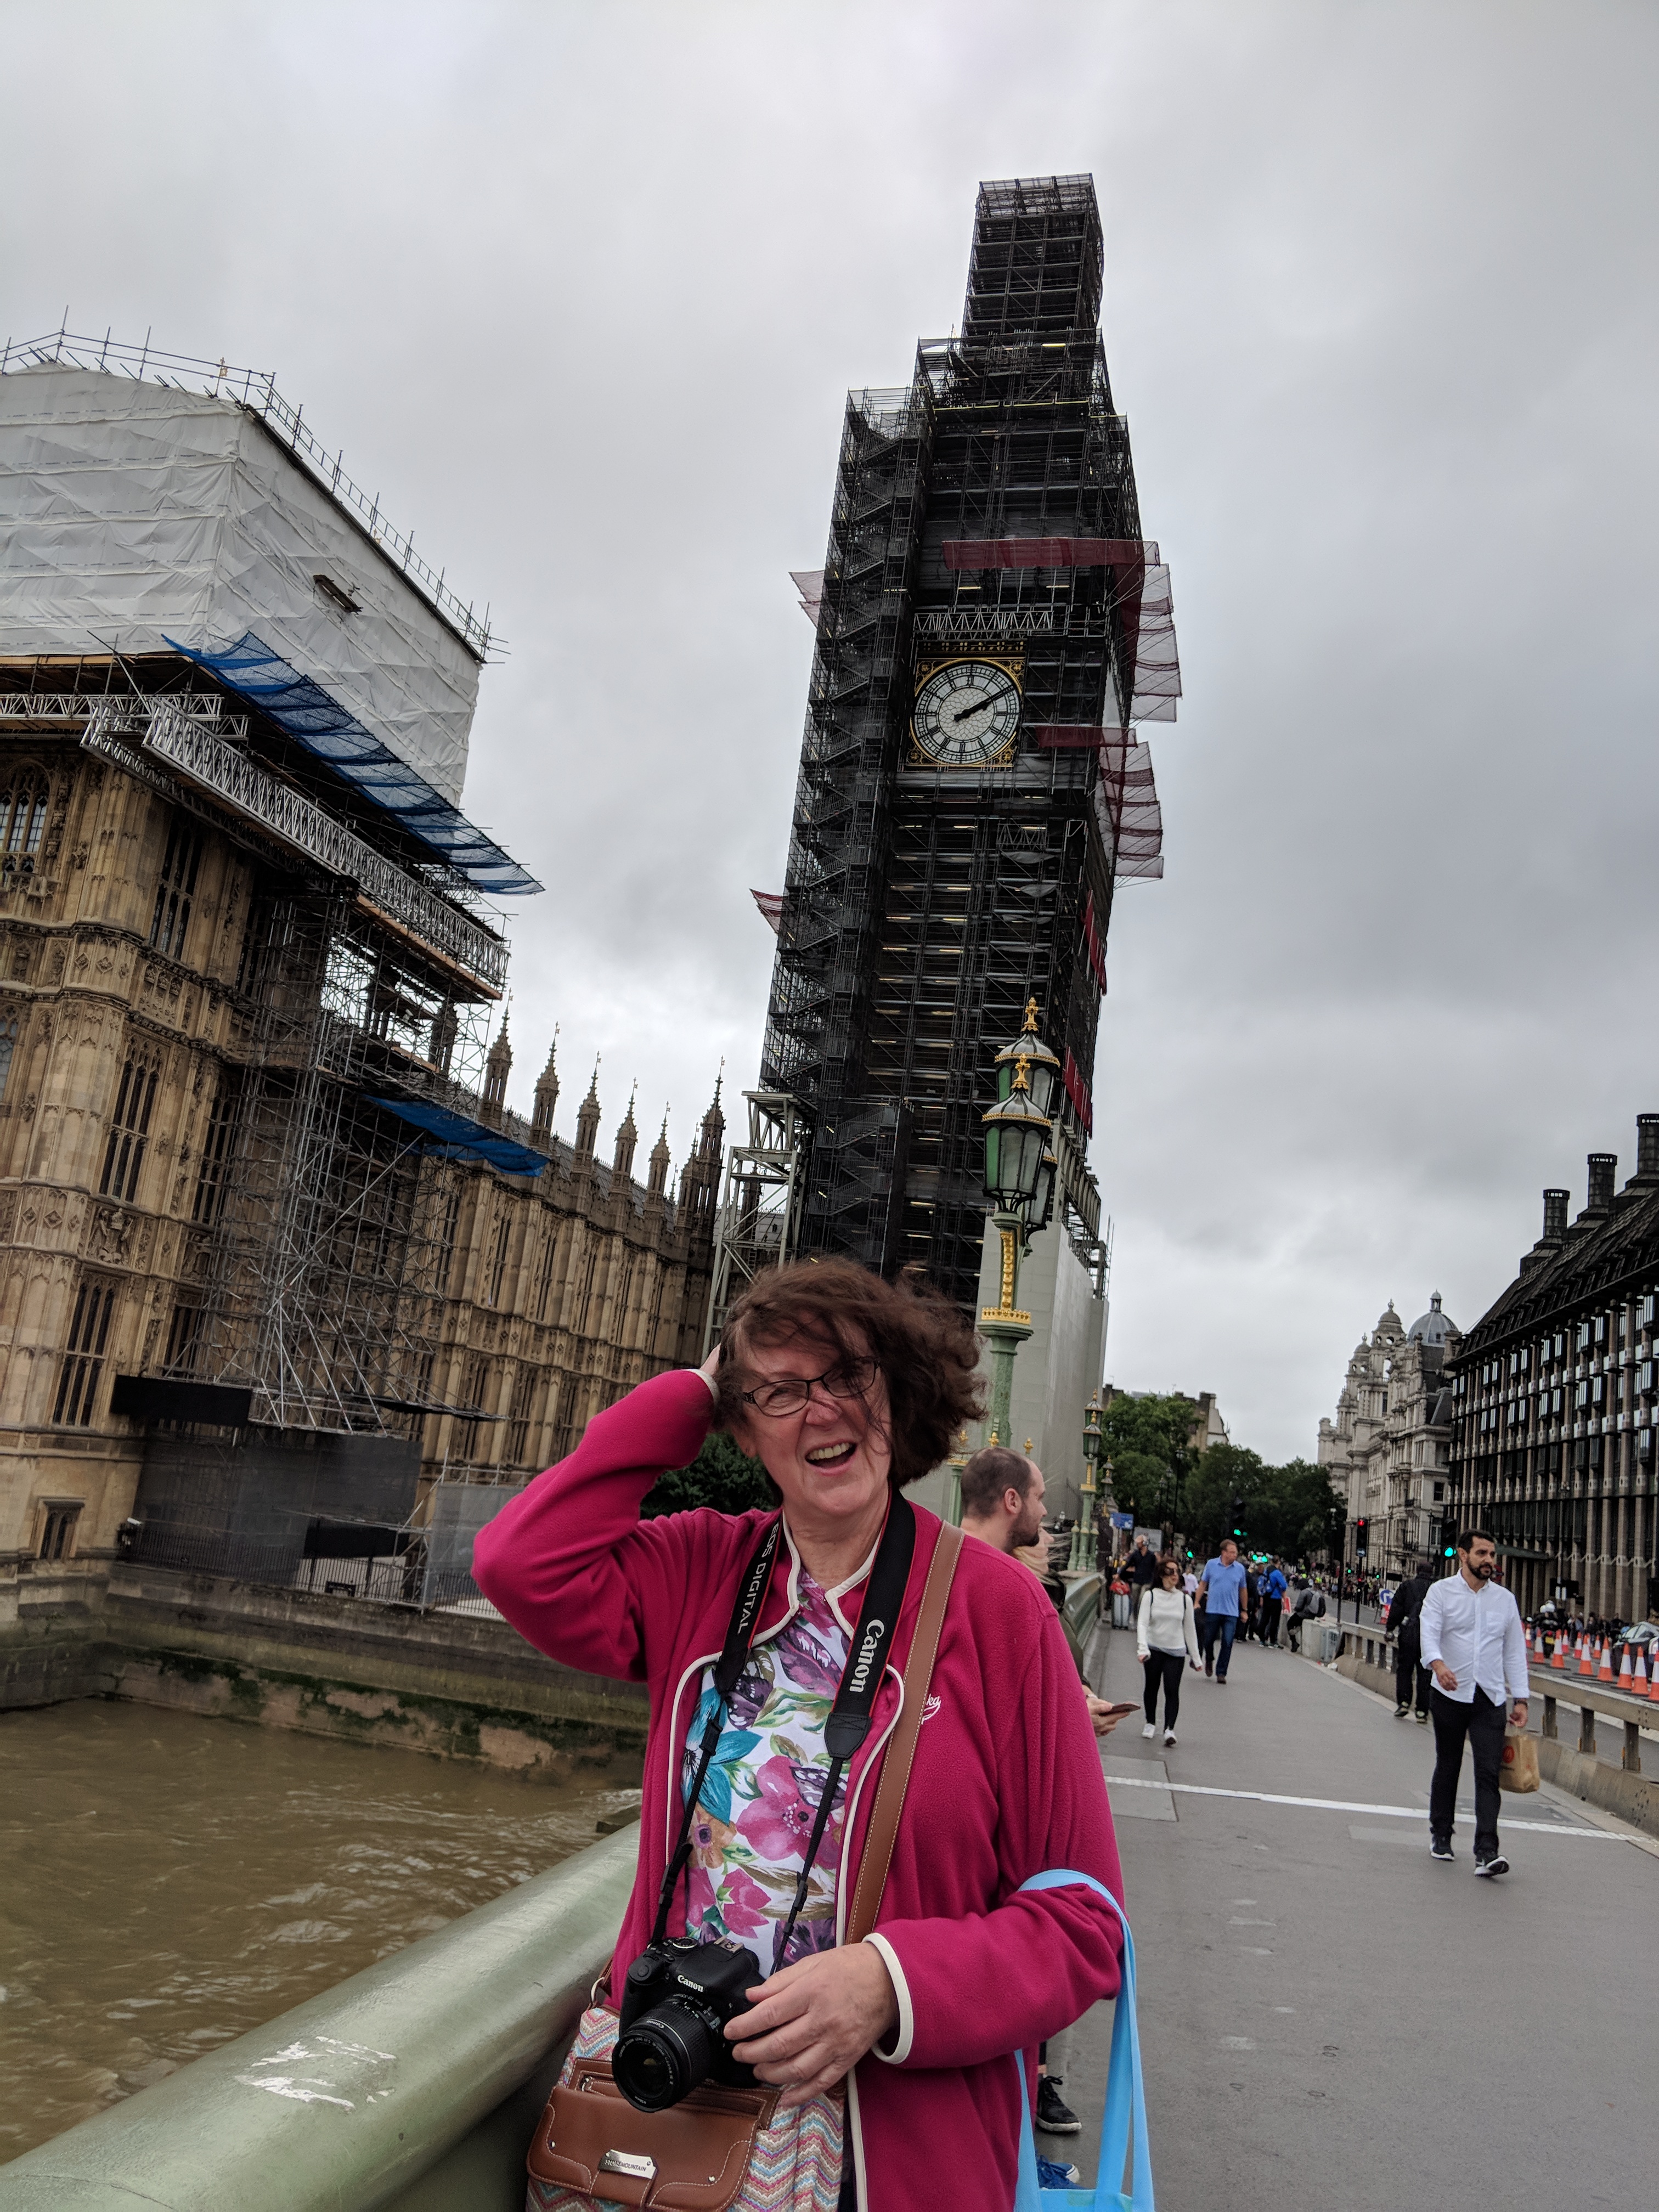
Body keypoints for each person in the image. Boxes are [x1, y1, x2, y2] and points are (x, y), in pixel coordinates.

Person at [473, 1259, 1125, 2212]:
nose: (821, 1409)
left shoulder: (1000, 1612)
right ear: (743, 1428)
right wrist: (688, 1396)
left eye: (847, 1375)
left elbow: (1083, 1921)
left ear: (896, 1392)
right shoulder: (701, 1568)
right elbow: (517, 1562)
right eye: (779, 1391)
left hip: (892, 2159)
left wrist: (891, 1985)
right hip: (673, 2131)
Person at [960, 1444, 1126, 1741]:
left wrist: (1082, 1696)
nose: (1045, 1511)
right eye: (1039, 1498)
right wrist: (1074, 1717)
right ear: (1012, 1500)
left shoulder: (946, 1565)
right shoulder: (1006, 1588)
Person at [1418, 1530, 1530, 1877]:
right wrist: (1438, 1666)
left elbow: (1514, 1651)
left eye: (1492, 1555)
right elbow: (1429, 1633)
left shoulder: (1505, 1600)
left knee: (1488, 1772)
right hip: (1449, 1693)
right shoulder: (1441, 1592)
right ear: (1463, 1555)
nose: (1489, 1561)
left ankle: (1487, 1851)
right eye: (1482, 1553)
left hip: (1489, 1697)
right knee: (1448, 1765)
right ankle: (1441, 1834)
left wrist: (1521, 1698)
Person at [1135, 1555, 1201, 1745]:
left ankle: (1169, 1729)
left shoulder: (1185, 1600)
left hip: (1176, 1652)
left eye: (1177, 1571)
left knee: (1172, 1690)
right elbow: (1142, 1623)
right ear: (1161, 1574)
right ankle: (1150, 1723)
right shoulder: (1151, 1596)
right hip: (1154, 1649)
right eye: (1170, 1571)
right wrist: (1142, 1648)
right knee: (1152, 1687)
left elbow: (1190, 1630)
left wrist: (1196, 1658)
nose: (1175, 1575)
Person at [1385, 1565, 1433, 1723]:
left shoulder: (1407, 1586)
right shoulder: (1436, 1589)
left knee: (1405, 1669)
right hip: (1428, 1636)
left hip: (1408, 1634)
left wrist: (1390, 1628)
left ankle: (1404, 1702)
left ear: (1417, 1571)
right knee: (1425, 1674)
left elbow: (1397, 1609)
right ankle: (1422, 1711)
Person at [1196, 1537, 1248, 1682]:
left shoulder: (1240, 1569)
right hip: (1213, 1609)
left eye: (1236, 1553)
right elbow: (1203, 1584)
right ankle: (1209, 1659)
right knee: (1208, 1640)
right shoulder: (1211, 1565)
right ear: (1224, 1552)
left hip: (1231, 1612)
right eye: (1232, 1552)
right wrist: (1196, 1602)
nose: (1235, 1555)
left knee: (1228, 1641)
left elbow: (1243, 1590)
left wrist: (1244, 1610)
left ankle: (1221, 1672)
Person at [1286, 1577, 1325, 1655]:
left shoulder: (1304, 1592)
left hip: (1303, 1615)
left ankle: (1294, 1642)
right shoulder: (1315, 1593)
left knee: (1290, 1623)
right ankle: (1298, 1628)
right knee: (1297, 1622)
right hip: (1312, 1616)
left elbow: (1299, 1607)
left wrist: (1295, 1609)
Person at [1258, 1558, 1288, 1648]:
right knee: (1274, 1621)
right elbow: (1284, 1586)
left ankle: (1262, 1639)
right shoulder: (1277, 1573)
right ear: (1278, 1563)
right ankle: (1272, 1641)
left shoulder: (1266, 1571)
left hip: (1266, 1597)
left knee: (1264, 1619)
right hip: (1275, 1598)